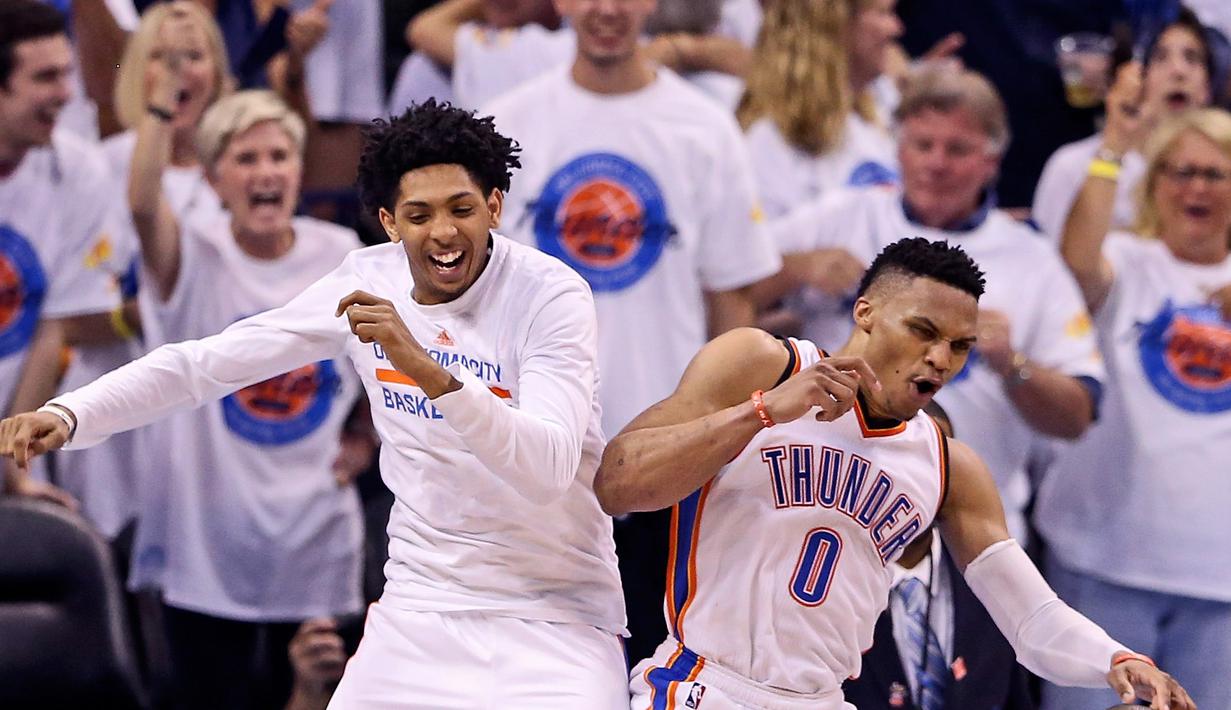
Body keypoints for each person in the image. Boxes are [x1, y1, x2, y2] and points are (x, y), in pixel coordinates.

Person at [0, 99, 628, 708]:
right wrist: (73, 413)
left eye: (461, 208)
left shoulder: (550, 296)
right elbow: (205, 365)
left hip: (556, 607)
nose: (442, 232)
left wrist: (424, 369)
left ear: (493, 206)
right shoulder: (367, 280)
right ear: (388, 222)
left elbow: (546, 469)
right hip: (423, 603)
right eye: (418, 214)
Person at [594, 237, 1194, 710]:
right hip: (704, 687)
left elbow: (1029, 616)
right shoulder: (763, 363)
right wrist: (759, 414)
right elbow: (618, 482)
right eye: (923, 331)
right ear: (867, 312)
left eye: (960, 346)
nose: (940, 358)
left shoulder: (947, 463)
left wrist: (1114, 658)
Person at [484, 0, 780, 662]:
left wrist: (723, 443)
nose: (607, 9)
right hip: (538, 453)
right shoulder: (508, 125)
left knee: (659, 661)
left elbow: (732, 299)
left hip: (664, 455)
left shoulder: (704, 128)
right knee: (535, 671)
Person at [767, 66, 1102, 541]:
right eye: (922, 145)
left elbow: (1078, 415)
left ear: (992, 161)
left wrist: (1013, 365)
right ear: (898, 149)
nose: (936, 163)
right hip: (824, 502)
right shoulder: (843, 215)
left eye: (958, 149)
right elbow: (728, 285)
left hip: (967, 524)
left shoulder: (1031, 259)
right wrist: (796, 268)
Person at [1034, 106, 1231, 710]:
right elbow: (1075, 263)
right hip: (1104, 564)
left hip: (1220, 581)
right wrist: (1113, 147)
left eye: (1214, 174)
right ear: (1154, 185)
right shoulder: (1126, 257)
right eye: (1178, 171)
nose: (1194, 187)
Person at [54, 0, 233, 543]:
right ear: (138, 69)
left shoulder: (244, 169)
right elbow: (62, 316)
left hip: (209, 417)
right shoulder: (98, 167)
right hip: (110, 407)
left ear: (218, 72)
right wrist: (142, 319)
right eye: (160, 56)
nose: (177, 70)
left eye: (192, 55)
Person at [0, 0, 120, 508]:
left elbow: (54, 328)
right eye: (45, 77)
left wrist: (11, 468)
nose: (65, 93)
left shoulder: (81, 171)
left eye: (68, 73)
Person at [841, 404, 1034, 710]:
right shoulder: (826, 584)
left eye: (937, 462)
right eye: (906, 459)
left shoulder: (993, 589)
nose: (923, 480)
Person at [1033, 8, 1218, 242]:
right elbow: (1048, 269)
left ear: (1208, 88)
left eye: (1192, 58)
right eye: (1160, 57)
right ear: (1133, 77)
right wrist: (1114, 147)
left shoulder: (1224, 172)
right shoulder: (1072, 167)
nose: (1179, 71)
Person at [738, 0, 902, 220]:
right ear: (837, 25)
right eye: (883, 13)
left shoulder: (875, 123)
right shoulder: (769, 139)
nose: (896, 28)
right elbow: (759, 248)